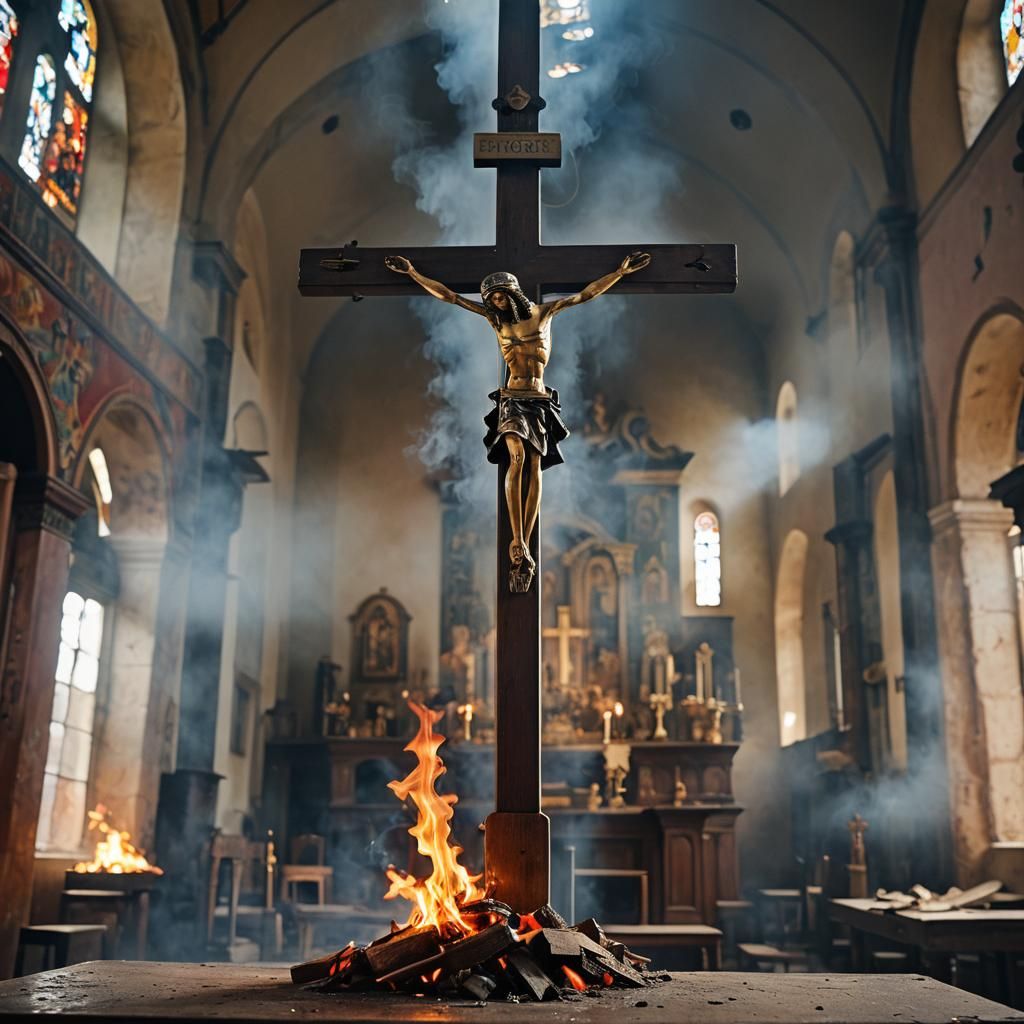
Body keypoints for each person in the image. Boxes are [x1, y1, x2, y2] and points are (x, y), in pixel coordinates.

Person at [385, 250, 651, 590]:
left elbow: (586, 294)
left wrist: (621, 272)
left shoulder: (545, 314)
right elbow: (450, 297)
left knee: (535, 466)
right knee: (518, 458)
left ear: (514, 293)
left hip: (538, 400)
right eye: (492, 299)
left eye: (500, 296)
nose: (496, 303)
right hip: (511, 399)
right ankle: (518, 541)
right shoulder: (496, 322)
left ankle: (525, 538)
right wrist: (412, 275)